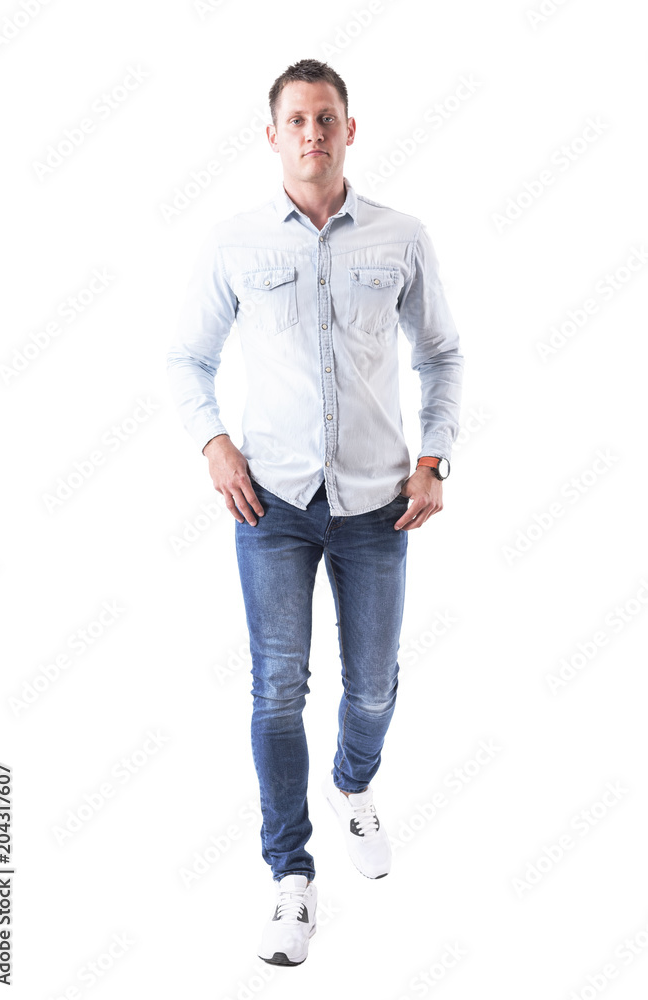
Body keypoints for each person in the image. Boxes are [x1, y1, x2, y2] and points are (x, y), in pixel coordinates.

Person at [166, 57, 464, 966]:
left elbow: (443, 355)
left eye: (326, 118)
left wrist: (434, 458)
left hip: (380, 502)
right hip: (274, 504)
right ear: (272, 135)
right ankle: (290, 878)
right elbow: (186, 360)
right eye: (295, 120)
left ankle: (353, 783)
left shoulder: (400, 236)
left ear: (348, 129)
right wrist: (214, 444)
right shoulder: (234, 244)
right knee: (276, 688)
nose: (311, 133)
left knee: (372, 684)